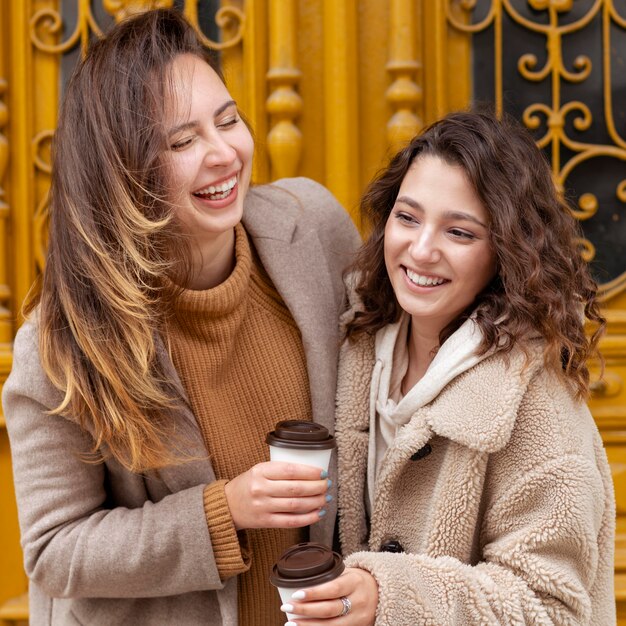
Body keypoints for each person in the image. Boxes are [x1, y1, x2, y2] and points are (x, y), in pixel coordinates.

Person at [2, 9, 360, 626]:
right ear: (122, 169)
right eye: (182, 141)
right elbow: (54, 550)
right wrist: (223, 511)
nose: (223, 154)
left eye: (228, 121)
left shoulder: (316, 230)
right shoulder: (62, 342)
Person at [280, 111, 616, 624]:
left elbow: (553, 609)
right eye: (407, 217)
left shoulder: (536, 399)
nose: (420, 250)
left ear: (506, 252)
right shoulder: (357, 347)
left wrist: (392, 597)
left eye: (459, 232)